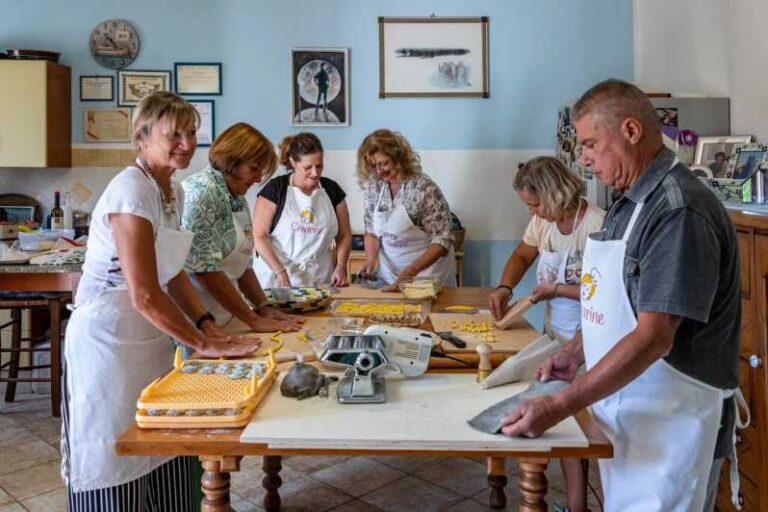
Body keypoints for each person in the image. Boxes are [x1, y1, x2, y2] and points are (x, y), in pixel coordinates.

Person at [500, 79, 742, 512]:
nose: (585, 159)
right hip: (630, 410)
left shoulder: (678, 210)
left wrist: (560, 404)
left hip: (674, 422)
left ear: (631, 131)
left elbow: (654, 337)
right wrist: (577, 351)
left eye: (591, 143)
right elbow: (611, 301)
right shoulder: (628, 204)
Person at [62, 92, 257, 510]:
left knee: (164, 444)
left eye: (191, 133)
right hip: (108, 343)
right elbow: (145, 293)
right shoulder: (131, 191)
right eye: (175, 134)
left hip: (150, 340)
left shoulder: (174, 192)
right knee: (112, 453)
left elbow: (175, 273)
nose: (187, 144)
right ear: (142, 136)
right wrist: (202, 344)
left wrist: (207, 326)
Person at [486, 156, 604, 512]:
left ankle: (585, 504)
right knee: (563, 422)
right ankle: (575, 505)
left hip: (591, 339)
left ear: (554, 193)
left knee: (584, 429)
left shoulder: (596, 223)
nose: (532, 212)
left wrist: (556, 290)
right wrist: (505, 286)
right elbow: (522, 256)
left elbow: (604, 291)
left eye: (535, 204)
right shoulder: (543, 223)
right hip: (556, 334)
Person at [182, 123, 303, 334]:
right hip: (199, 321)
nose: (257, 179)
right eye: (254, 169)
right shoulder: (202, 193)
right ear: (231, 160)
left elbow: (243, 266)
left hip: (226, 315)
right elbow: (205, 271)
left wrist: (263, 308)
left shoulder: (235, 196)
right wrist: (253, 320)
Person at [357, 129, 456, 286]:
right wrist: (371, 260)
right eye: (373, 166)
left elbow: (442, 240)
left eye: (384, 164)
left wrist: (411, 271)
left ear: (398, 157)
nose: (379, 171)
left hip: (427, 276)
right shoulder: (374, 188)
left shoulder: (423, 189)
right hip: (390, 275)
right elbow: (371, 232)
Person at [253, 132, 351, 288]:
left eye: (319, 166)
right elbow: (259, 236)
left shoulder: (332, 191)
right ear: (293, 162)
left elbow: (344, 235)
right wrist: (279, 271)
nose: (315, 173)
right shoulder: (275, 190)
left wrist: (340, 267)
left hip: (318, 279)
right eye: (308, 167)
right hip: (277, 279)